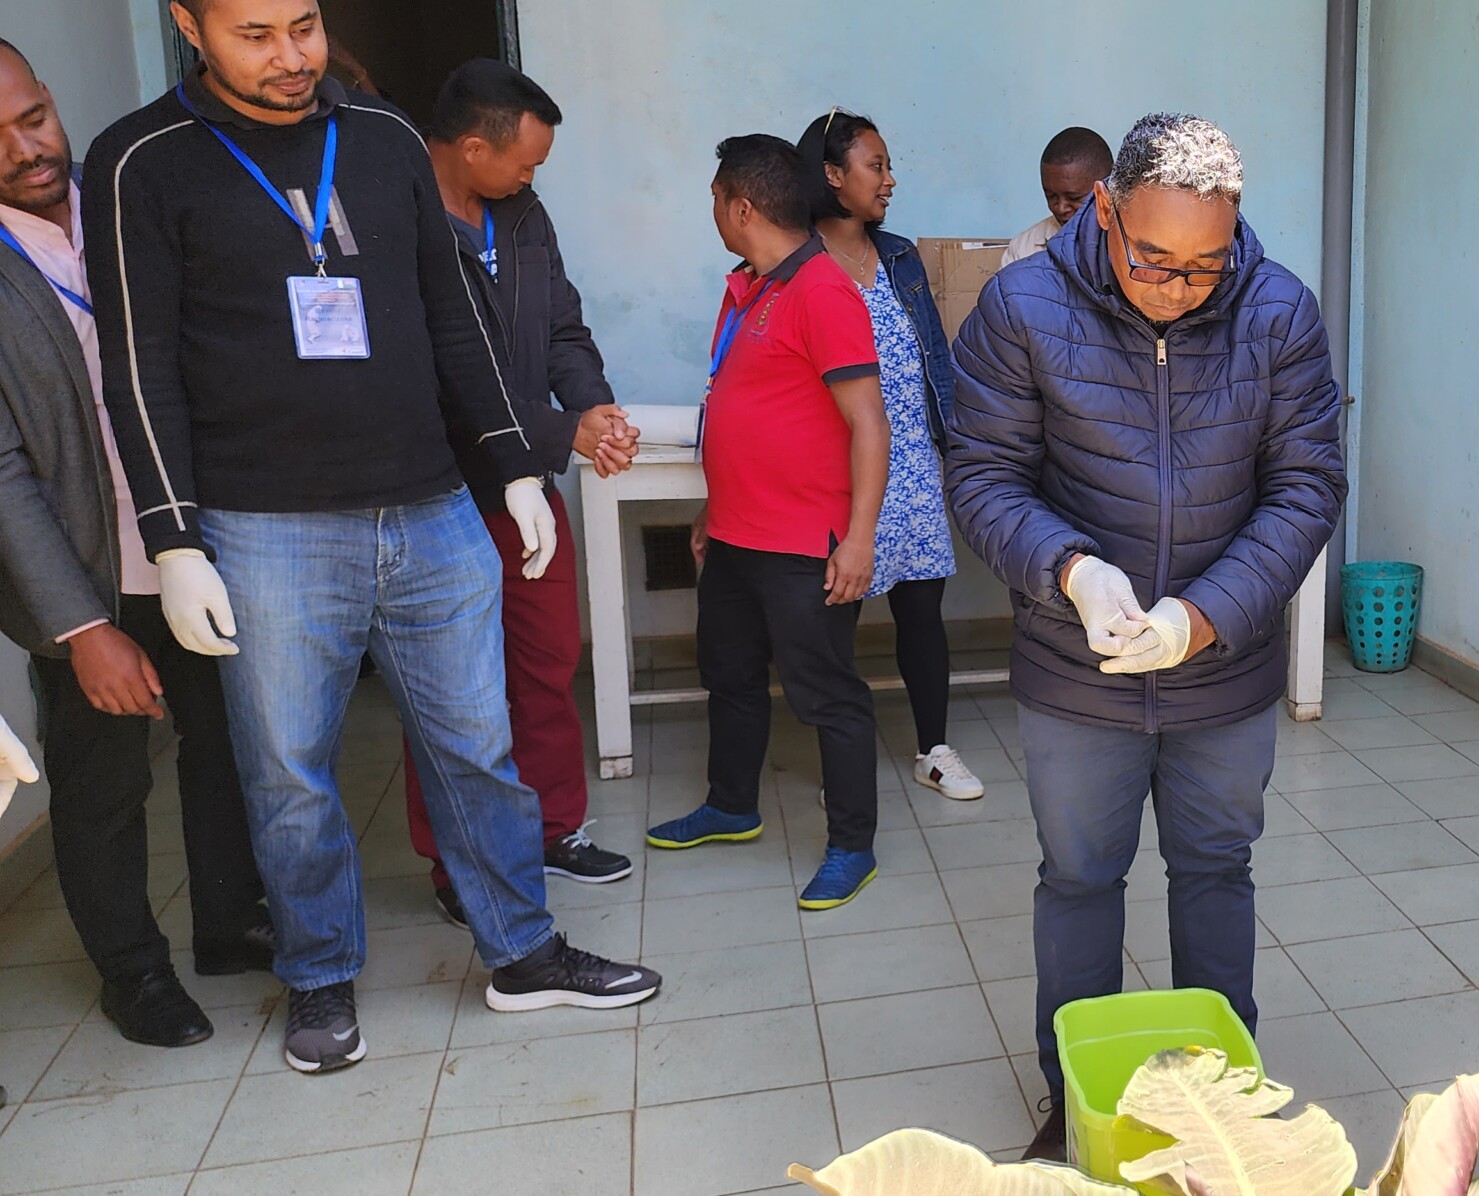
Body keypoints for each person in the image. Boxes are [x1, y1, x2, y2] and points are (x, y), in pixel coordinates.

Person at [84, 0, 660, 1075]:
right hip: (267, 530)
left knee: (477, 750)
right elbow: (138, 367)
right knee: (291, 773)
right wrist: (175, 540)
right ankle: (316, 971)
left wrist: (515, 465)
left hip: (433, 508)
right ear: (189, 26)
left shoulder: (385, 137)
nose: (291, 55)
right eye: (255, 34)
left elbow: (454, 319)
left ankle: (522, 951)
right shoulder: (139, 161)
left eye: (302, 25)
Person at [946, 112, 1344, 1160]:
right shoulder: (1022, 308)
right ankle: (1073, 1094)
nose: (1174, 288)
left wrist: (1201, 615)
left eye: (1203, 268)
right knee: (1079, 876)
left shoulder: (1277, 312)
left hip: (1225, 668)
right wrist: (1071, 570)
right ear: (1107, 214)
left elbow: (1306, 487)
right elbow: (981, 474)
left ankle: (1220, 1104)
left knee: (1216, 868)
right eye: (1152, 261)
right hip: (1076, 671)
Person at [0, 37, 271, 1049]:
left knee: (228, 744)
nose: (26, 148)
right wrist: (80, 627)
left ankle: (231, 920)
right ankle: (133, 969)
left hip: (193, 543)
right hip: (80, 571)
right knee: (105, 782)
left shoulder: (126, 196)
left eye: (31, 117)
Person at [406, 58, 639, 929]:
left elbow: (564, 326)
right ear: (472, 148)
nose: (532, 179)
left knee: (545, 662)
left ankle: (551, 830)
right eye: (525, 163)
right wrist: (558, 433)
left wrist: (592, 408)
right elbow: (433, 376)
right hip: (440, 492)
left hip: (530, 488)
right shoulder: (403, 218)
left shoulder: (522, 215)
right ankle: (455, 862)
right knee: (449, 685)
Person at [641, 134, 894, 912]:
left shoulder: (822, 290)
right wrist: (714, 510)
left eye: (716, 198)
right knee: (731, 677)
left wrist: (857, 540)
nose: (713, 211)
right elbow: (744, 409)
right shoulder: (749, 289)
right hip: (738, 538)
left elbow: (869, 425)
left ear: (741, 206)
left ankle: (852, 845)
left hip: (804, 545)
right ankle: (731, 805)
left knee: (829, 696)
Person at [795, 107, 986, 802]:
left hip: (910, 459)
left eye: (886, 165)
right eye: (875, 165)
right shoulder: (795, 262)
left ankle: (933, 749)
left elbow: (936, 358)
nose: (889, 180)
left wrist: (955, 446)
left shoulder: (900, 257)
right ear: (830, 173)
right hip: (833, 469)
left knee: (921, 612)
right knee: (833, 620)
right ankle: (839, 763)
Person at [999, 126, 1113, 267]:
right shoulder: (1023, 250)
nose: (1060, 208)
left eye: (1074, 198)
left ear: (1107, 190)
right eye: (1051, 196)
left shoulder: (1135, 245)